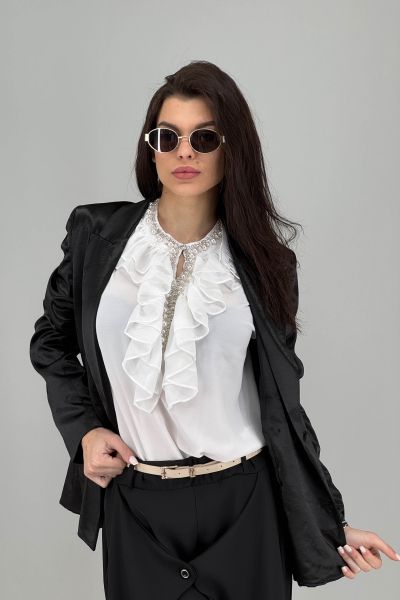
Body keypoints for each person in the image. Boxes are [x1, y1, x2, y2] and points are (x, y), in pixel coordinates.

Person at [29, 60, 400, 599]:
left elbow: (284, 410)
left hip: (245, 506)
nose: (185, 152)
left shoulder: (266, 264)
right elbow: (51, 342)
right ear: (150, 149)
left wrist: (329, 525)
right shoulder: (96, 236)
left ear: (232, 150)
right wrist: (83, 430)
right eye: (168, 137)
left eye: (204, 138)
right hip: (136, 503)